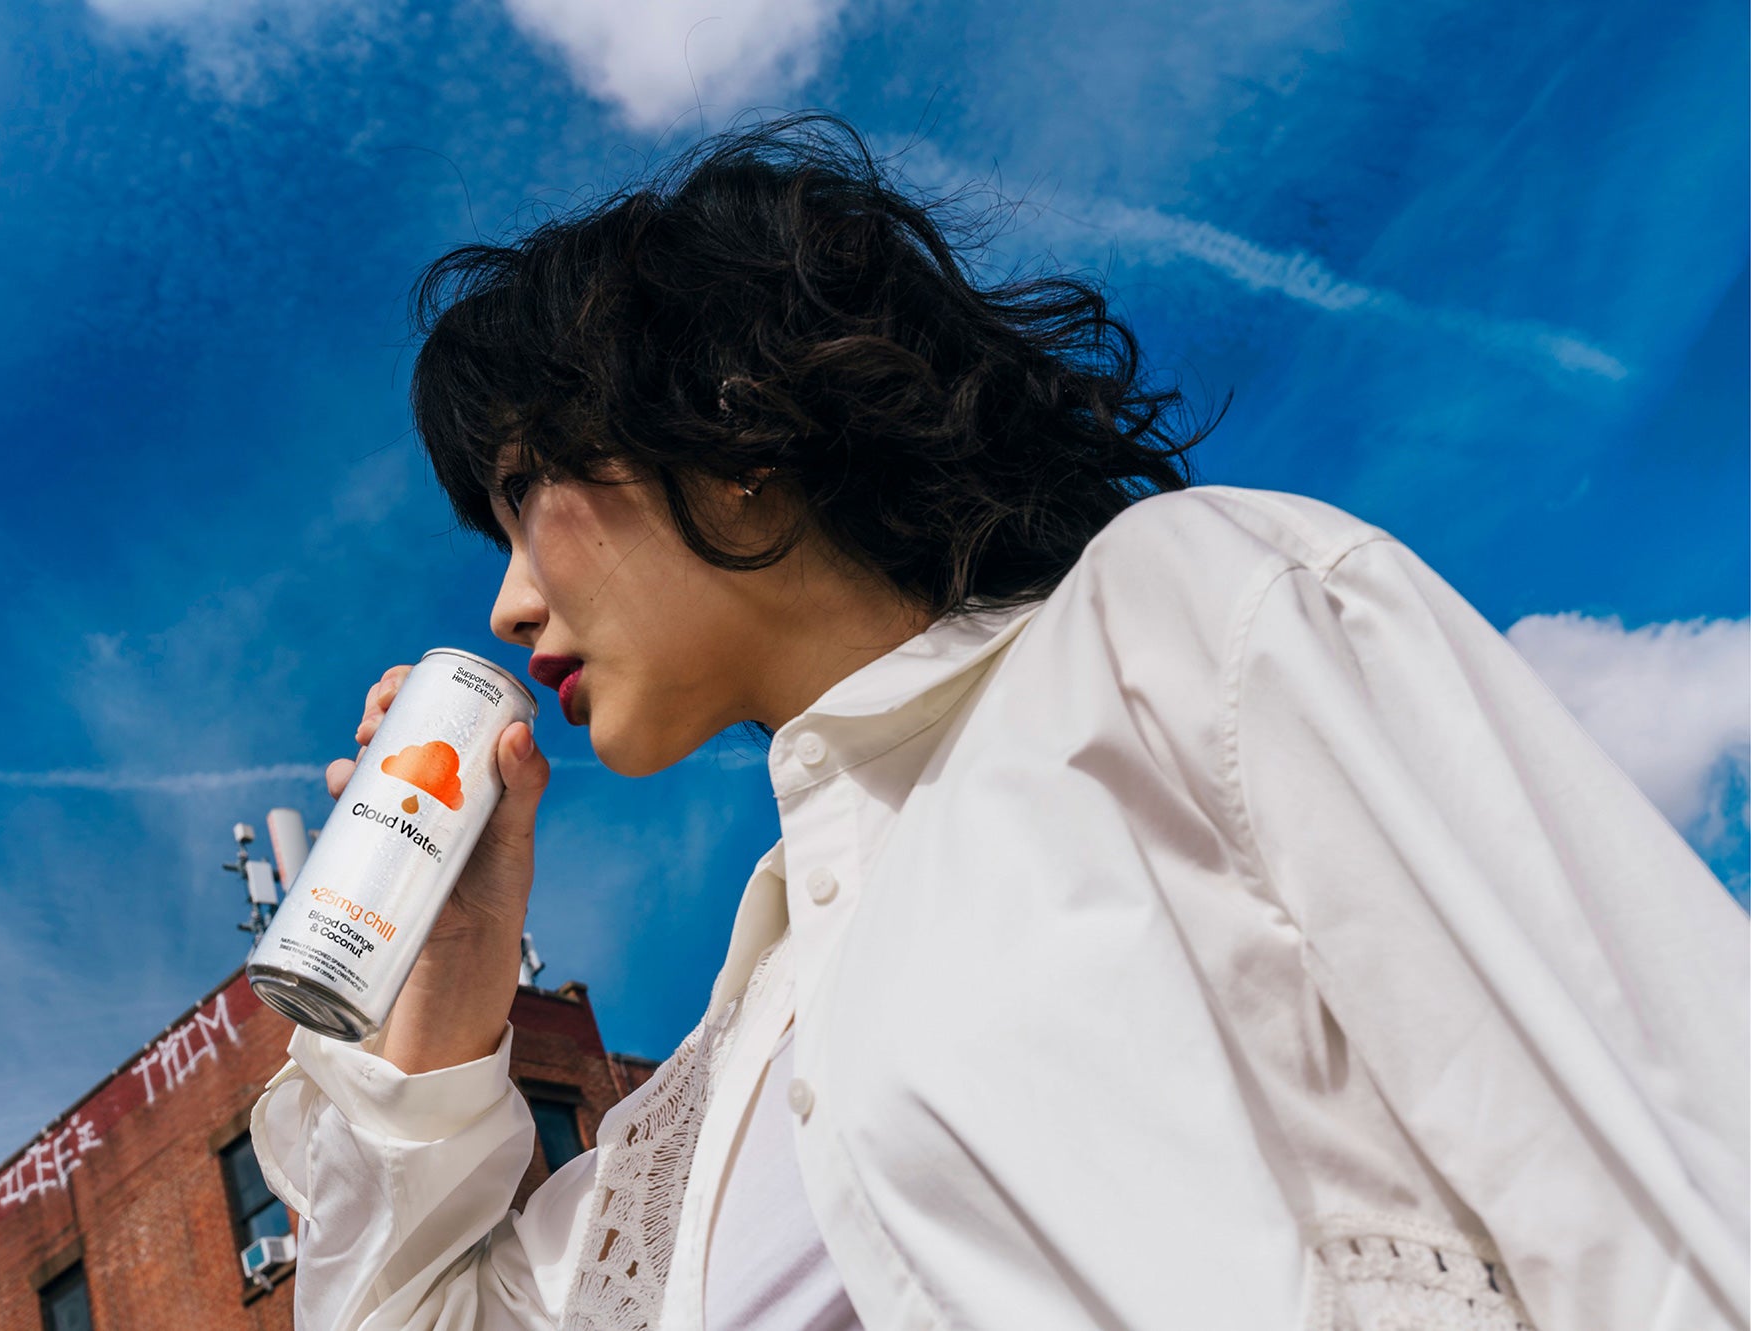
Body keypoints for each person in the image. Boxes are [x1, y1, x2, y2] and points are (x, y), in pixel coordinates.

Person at [249, 113, 1748, 1331]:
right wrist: (448, 995)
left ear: (732, 433)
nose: (508, 606)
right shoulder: (718, 1090)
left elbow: (1672, 1195)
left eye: (526, 495)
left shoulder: (1174, 632)